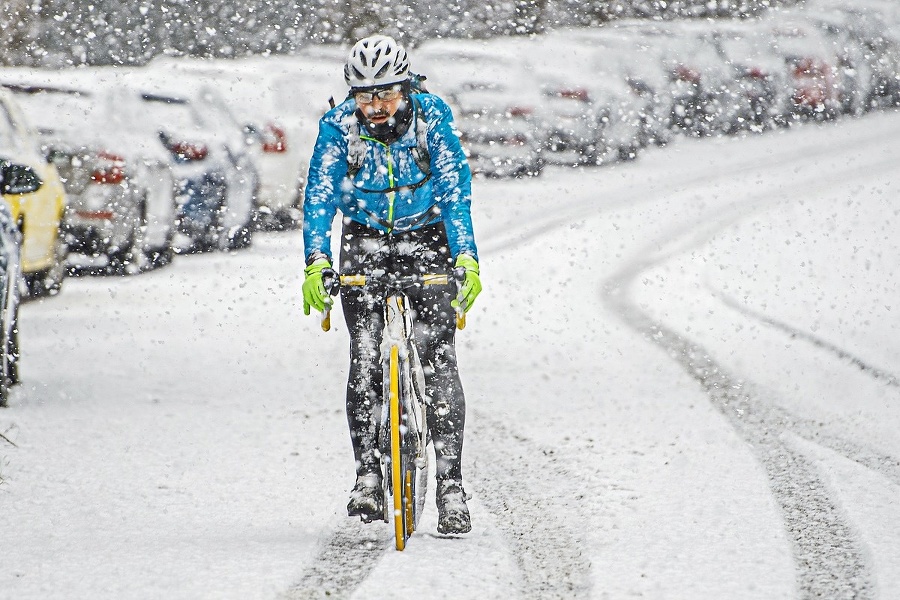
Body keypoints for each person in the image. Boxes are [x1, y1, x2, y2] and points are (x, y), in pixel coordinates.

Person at [301, 34, 482, 535]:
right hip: (364, 241)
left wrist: (465, 256)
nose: (376, 107)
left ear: (407, 88)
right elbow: (319, 199)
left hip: (427, 237)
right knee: (363, 355)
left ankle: (450, 485)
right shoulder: (339, 130)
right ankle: (366, 475)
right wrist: (316, 261)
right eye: (364, 95)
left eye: (386, 94)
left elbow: (453, 188)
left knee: (438, 356)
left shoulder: (431, 119)